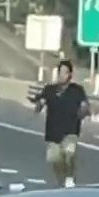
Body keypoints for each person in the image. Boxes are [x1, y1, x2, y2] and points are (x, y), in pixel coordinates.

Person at [30, 59, 90, 188]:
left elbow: (84, 105)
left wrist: (83, 112)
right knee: (54, 159)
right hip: (53, 131)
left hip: (71, 130)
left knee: (69, 153)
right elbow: (40, 103)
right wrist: (38, 105)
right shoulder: (49, 89)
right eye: (60, 72)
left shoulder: (77, 90)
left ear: (70, 75)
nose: (62, 75)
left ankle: (70, 177)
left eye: (65, 72)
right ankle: (61, 182)